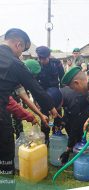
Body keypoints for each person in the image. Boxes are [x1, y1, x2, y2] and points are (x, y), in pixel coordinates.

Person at [0, 28, 58, 188]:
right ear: (18, 44)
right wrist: (52, 107)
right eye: (22, 51)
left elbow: (23, 96)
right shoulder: (14, 63)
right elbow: (35, 89)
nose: (20, 55)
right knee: (5, 156)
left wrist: (38, 113)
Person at [45, 87, 89, 165]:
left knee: (77, 128)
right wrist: (63, 122)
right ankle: (73, 145)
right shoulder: (59, 93)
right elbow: (67, 113)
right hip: (76, 108)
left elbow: (75, 125)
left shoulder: (73, 101)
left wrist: (68, 148)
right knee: (68, 123)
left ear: (60, 103)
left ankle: (78, 147)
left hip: (87, 108)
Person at [36, 46, 65, 144]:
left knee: (57, 115)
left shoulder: (56, 63)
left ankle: (57, 133)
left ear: (49, 56)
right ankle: (46, 138)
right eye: (40, 58)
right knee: (44, 117)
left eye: (44, 58)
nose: (42, 60)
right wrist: (36, 100)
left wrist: (62, 95)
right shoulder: (37, 65)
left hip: (55, 94)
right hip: (42, 94)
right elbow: (34, 85)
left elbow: (63, 79)